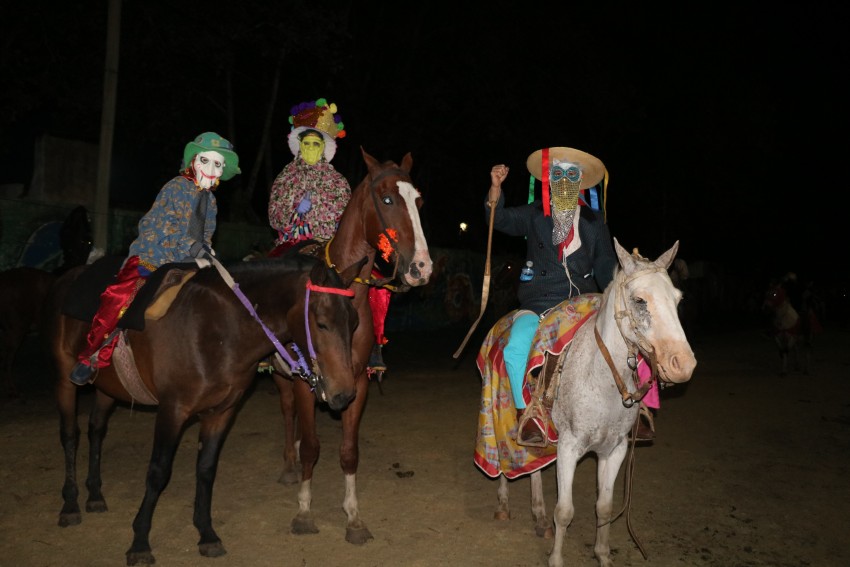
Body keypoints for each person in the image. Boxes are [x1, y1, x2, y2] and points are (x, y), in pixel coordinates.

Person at [487, 146, 658, 442]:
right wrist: (495, 187)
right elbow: (499, 219)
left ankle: (638, 406)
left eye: (571, 175)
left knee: (630, 334)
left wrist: (621, 287)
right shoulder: (532, 215)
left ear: (579, 181)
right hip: (539, 302)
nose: (564, 180)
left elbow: (605, 263)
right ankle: (527, 414)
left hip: (584, 302)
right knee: (516, 349)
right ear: (549, 180)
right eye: (558, 174)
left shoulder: (594, 222)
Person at [69, 132, 240, 385]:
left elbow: (205, 234)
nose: (212, 169)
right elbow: (160, 226)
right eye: (206, 161)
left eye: (218, 164)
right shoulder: (175, 187)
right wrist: (191, 248)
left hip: (189, 260)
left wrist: (206, 250)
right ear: (193, 161)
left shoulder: (211, 201)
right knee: (120, 297)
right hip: (154, 255)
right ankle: (91, 356)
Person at [267, 98, 390, 374]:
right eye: (307, 143)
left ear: (325, 148)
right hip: (293, 240)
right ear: (299, 145)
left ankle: (372, 346)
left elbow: (347, 219)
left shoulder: (338, 182)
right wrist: (296, 211)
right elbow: (274, 212)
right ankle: (269, 345)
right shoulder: (285, 177)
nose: (311, 148)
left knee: (375, 283)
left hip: (328, 244)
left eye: (316, 144)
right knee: (266, 274)